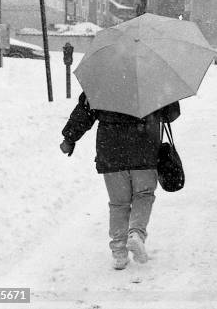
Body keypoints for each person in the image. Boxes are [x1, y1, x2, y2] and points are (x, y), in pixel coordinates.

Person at [59, 92, 162, 270]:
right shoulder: (152, 78)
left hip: (112, 151)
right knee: (144, 195)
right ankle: (136, 234)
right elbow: (171, 114)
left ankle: (119, 253)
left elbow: (84, 112)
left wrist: (69, 137)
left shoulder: (102, 80)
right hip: (145, 148)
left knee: (119, 204)